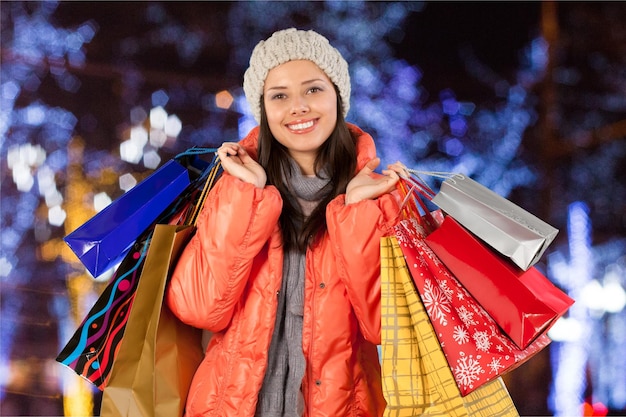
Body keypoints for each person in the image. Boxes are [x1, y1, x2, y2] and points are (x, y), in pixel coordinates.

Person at [166, 28, 406, 417]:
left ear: (337, 97)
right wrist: (247, 195)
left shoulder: (379, 197)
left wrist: (358, 212)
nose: (298, 107)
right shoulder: (237, 187)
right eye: (279, 95)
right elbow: (198, 308)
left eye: (313, 90)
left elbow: (387, 329)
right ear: (263, 108)